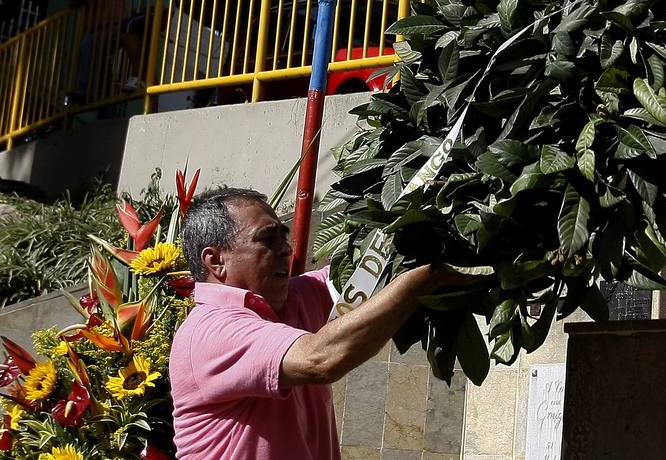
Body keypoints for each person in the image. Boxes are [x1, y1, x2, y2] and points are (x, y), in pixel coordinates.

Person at [170, 188, 460, 460]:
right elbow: (320, 360)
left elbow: (367, 267)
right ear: (216, 260)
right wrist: (423, 281)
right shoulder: (209, 330)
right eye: (267, 239)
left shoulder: (298, 296)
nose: (286, 250)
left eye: (284, 238)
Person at [66, 0, 120, 103]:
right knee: (101, 69)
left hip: (114, 27)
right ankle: (108, 109)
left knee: (88, 45)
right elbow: (73, 1)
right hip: (92, 30)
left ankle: (83, 91)